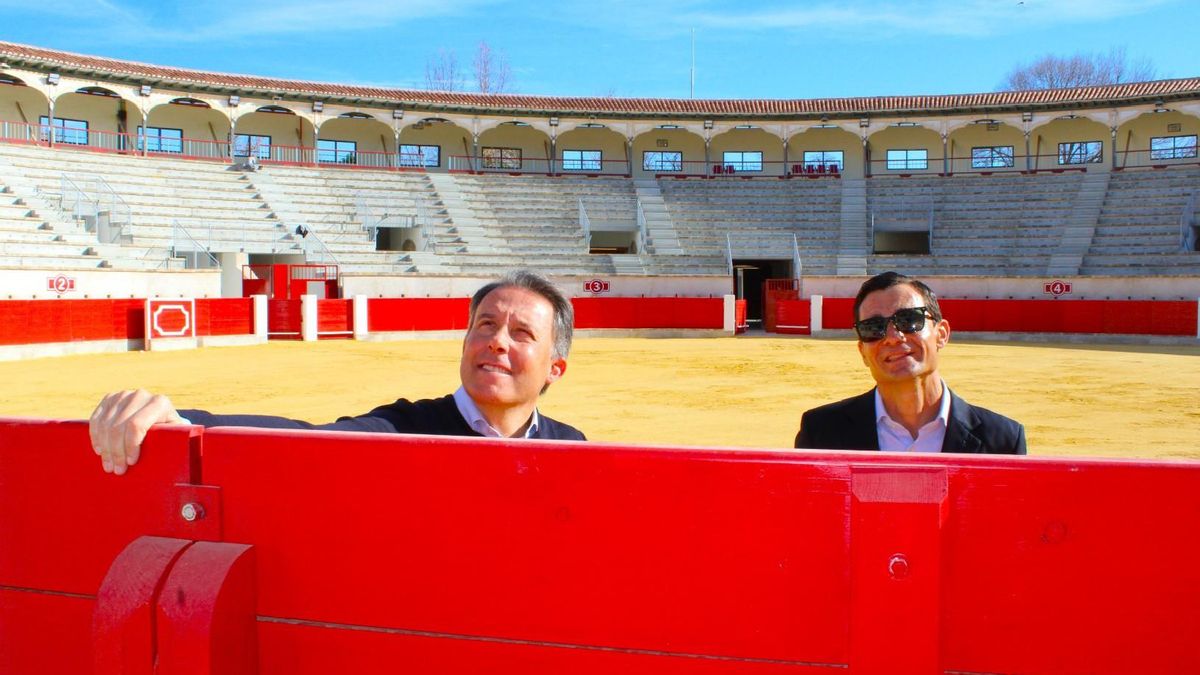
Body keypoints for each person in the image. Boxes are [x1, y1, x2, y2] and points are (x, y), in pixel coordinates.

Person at [90, 270, 586, 475]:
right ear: (465, 342)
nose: (497, 340)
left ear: (554, 368)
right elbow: (304, 438)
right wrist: (181, 417)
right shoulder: (403, 428)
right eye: (486, 325)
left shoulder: (574, 447)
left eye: (521, 334)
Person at [795, 271, 1025, 454]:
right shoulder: (820, 433)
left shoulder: (1003, 440)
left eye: (909, 320)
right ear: (862, 351)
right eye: (873, 328)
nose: (893, 337)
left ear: (941, 333)